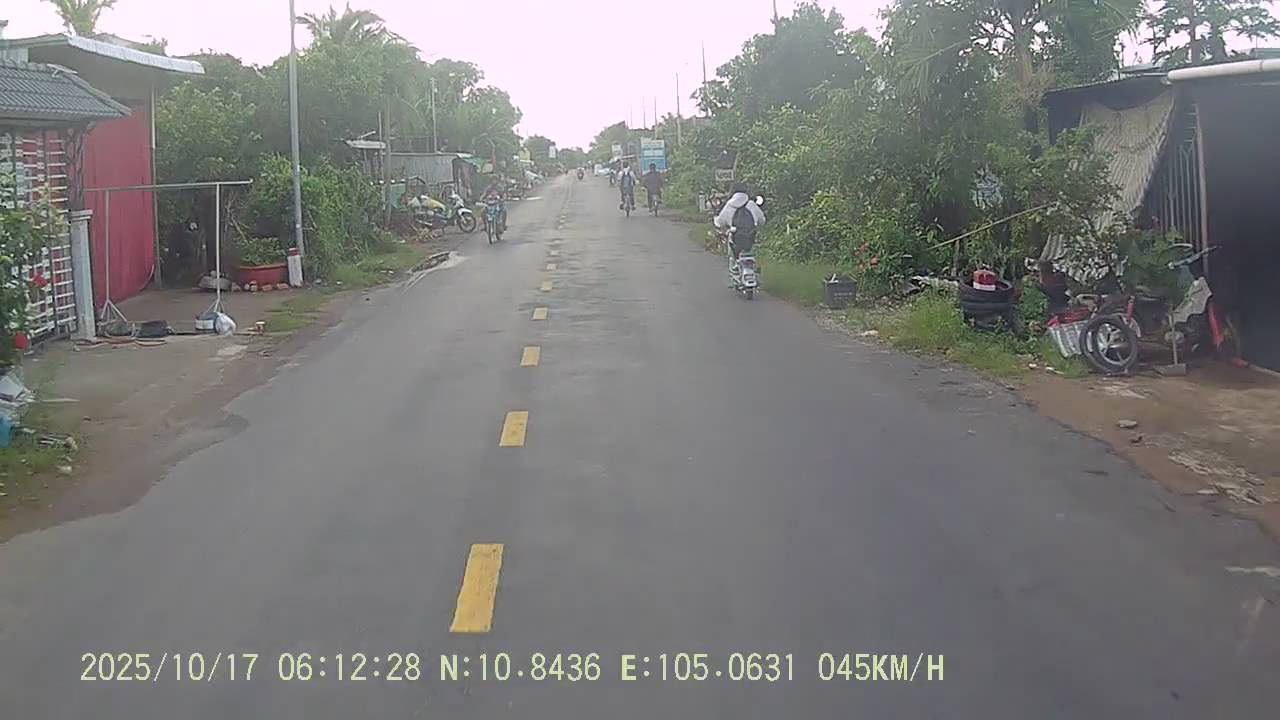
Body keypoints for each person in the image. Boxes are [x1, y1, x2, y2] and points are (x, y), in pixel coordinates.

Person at [713, 184, 765, 260]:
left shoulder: (729, 205)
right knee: (752, 251)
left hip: (735, 236)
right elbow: (762, 220)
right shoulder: (751, 204)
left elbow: (721, 221)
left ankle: (734, 263)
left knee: (732, 253)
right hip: (750, 236)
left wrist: (717, 221)